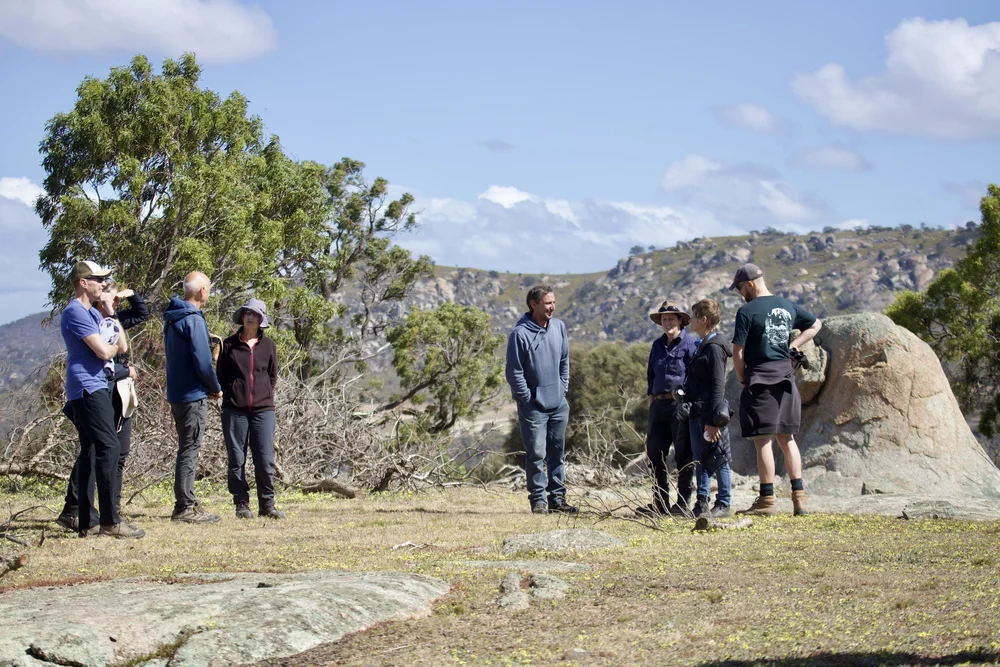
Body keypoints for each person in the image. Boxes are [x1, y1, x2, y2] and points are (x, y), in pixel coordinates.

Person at [58, 260, 145, 538]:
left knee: (91, 450)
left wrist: (110, 312)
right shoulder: (75, 311)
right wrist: (109, 347)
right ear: (84, 283)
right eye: (99, 279)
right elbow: (105, 352)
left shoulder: (93, 314)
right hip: (87, 387)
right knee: (109, 446)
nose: (105, 283)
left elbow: (122, 345)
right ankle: (110, 521)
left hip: (97, 384)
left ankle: (87, 521)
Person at [730, 263, 822, 516]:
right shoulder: (787, 305)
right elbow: (816, 325)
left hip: (759, 377)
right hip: (785, 376)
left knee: (762, 440)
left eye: (740, 288)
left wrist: (742, 380)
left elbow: (738, 352)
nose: (740, 293)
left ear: (750, 284)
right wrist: (794, 344)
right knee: (787, 438)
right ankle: (799, 500)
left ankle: (767, 500)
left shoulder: (746, 311)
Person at [505, 285, 577, 515]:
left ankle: (558, 500)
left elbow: (564, 360)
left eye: (553, 302)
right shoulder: (519, 334)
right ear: (533, 305)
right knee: (536, 454)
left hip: (558, 404)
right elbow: (514, 372)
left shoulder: (559, 327)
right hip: (534, 407)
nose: (552, 307)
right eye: (547, 303)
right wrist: (528, 399)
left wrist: (563, 389)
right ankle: (538, 501)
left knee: (557, 453)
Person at [163, 270, 223, 524]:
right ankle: (184, 507)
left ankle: (185, 502)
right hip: (193, 394)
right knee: (190, 449)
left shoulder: (172, 317)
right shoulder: (193, 319)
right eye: (208, 289)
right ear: (202, 291)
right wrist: (215, 387)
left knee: (186, 447)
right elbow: (203, 361)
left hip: (177, 393)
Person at [216, 298, 284, 519]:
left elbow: (272, 376)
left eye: (255, 314)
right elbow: (221, 376)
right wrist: (232, 394)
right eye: (247, 313)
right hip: (234, 410)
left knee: (265, 459)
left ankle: (267, 504)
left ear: (261, 319)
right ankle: (241, 504)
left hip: (263, 410)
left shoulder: (269, 345)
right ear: (242, 316)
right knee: (237, 459)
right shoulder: (228, 345)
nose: (250, 317)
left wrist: (264, 395)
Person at [638, 301, 697, 518]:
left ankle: (682, 504)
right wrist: (652, 398)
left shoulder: (690, 345)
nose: (667, 323)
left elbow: (694, 376)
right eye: (664, 319)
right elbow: (651, 374)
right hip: (658, 405)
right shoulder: (657, 345)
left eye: (671, 319)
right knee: (655, 454)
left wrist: (687, 402)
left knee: (683, 454)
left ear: (680, 321)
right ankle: (660, 503)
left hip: (679, 405)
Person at [683, 298, 734, 518]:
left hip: (709, 414)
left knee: (718, 457)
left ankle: (723, 503)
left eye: (694, 316)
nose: (690, 320)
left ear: (703, 319)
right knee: (701, 457)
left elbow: (717, 385)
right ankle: (702, 501)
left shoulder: (714, 347)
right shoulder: (702, 345)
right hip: (697, 411)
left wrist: (713, 422)